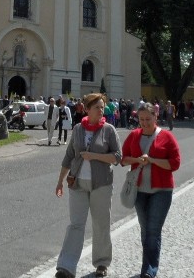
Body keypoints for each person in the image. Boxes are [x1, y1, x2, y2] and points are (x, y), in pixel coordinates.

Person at [55, 93, 122, 278]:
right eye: (97, 107)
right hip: (77, 183)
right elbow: (69, 156)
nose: (102, 111)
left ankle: (101, 263)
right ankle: (66, 267)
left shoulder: (109, 130)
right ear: (87, 109)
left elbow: (117, 157)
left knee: (101, 224)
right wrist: (60, 181)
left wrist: (95, 156)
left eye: (103, 107)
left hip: (101, 184)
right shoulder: (77, 129)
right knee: (76, 225)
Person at [121, 102, 181, 278]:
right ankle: (148, 266)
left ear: (156, 117)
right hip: (139, 190)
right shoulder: (134, 136)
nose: (145, 122)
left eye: (148, 119)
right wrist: (137, 160)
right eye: (141, 119)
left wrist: (152, 160)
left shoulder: (167, 137)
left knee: (153, 230)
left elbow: (175, 163)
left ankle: (148, 271)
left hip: (161, 190)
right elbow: (123, 159)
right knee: (145, 230)